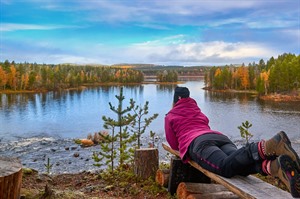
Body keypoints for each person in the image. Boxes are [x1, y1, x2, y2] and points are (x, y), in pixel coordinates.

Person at [165, 86, 300, 198]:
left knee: (225, 168)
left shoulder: (171, 116)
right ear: (189, 98)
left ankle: (266, 147)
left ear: (175, 100)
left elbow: (173, 144)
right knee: (236, 165)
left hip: (199, 143)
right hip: (220, 138)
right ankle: (272, 166)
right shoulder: (198, 112)